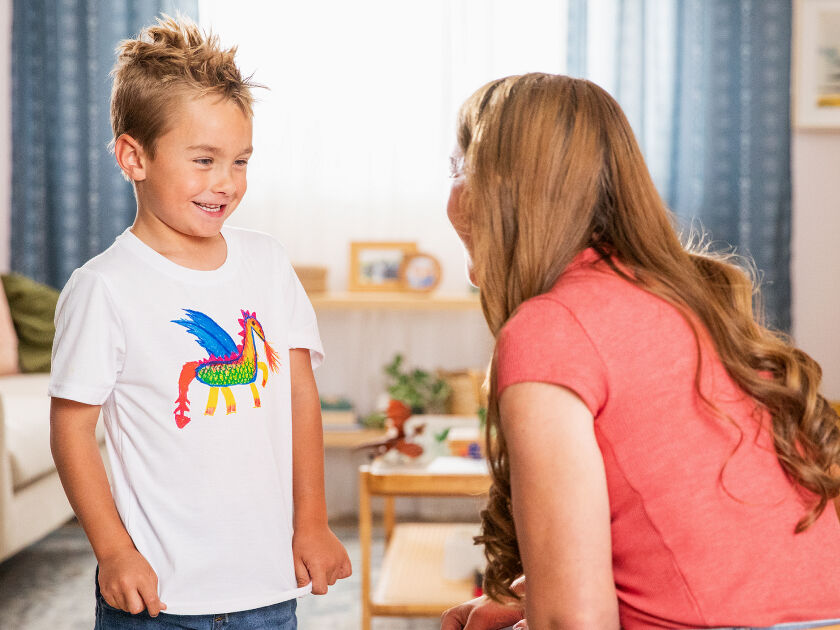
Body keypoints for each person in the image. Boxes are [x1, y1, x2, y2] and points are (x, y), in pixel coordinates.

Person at [440, 73, 840, 630]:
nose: (451, 198)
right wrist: (533, 595)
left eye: (456, 169)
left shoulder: (547, 329)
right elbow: (704, 524)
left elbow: (574, 622)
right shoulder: (692, 298)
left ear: (504, 191)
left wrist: (544, 611)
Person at [49, 16, 350, 629]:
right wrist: (113, 552)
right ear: (133, 156)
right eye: (205, 159)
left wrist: (312, 522)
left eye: (240, 161)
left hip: (267, 591)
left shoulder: (266, 263)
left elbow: (298, 394)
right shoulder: (103, 287)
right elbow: (73, 430)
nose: (226, 183)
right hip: (159, 600)